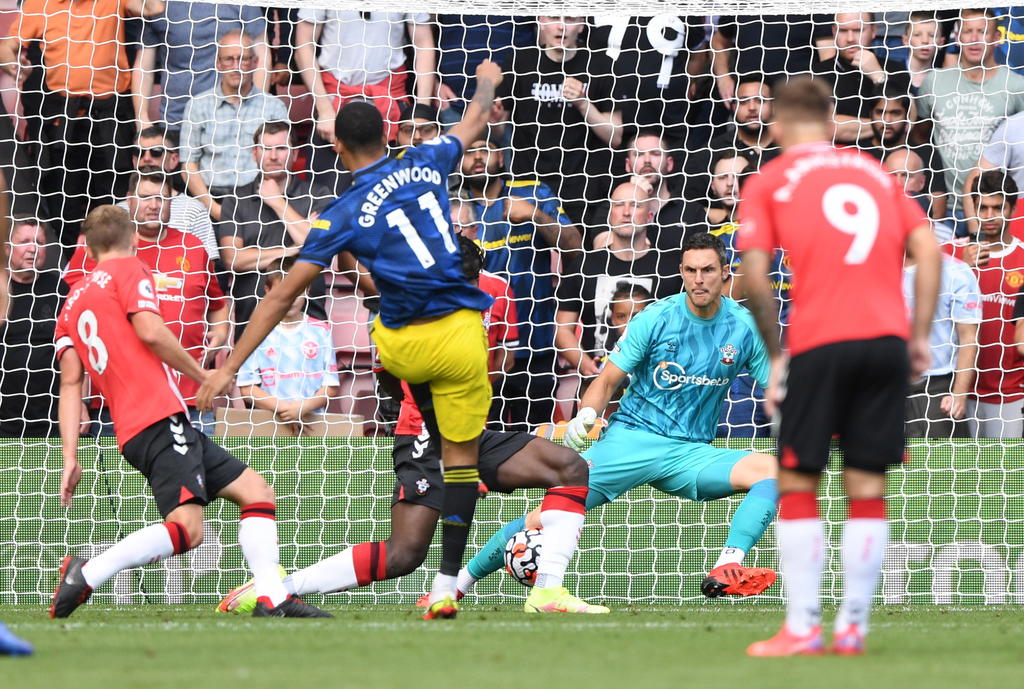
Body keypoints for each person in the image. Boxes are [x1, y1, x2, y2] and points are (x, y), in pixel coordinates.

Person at [198, 61, 506, 621]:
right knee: (461, 464)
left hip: (403, 348)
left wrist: (228, 368)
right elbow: (478, 115)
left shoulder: (337, 215)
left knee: (383, 321)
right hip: (462, 335)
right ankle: (444, 586)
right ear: (391, 136)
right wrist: (486, 77)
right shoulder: (429, 158)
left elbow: (277, 296)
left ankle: (414, 403)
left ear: (337, 146)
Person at [217, 234, 604, 615]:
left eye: (472, 283)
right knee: (403, 555)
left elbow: (496, 360)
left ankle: (547, 591)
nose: (467, 291)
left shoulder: (487, 298)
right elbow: (386, 370)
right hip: (424, 433)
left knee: (570, 468)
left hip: (469, 430)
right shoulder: (411, 311)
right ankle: (276, 589)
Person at [459, 232, 780, 602]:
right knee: (546, 515)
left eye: (708, 270)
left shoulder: (744, 327)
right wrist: (587, 415)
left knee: (773, 472)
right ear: (681, 271)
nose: (699, 279)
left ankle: (727, 566)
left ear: (725, 273)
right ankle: (459, 583)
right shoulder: (656, 318)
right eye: (691, 270)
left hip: (691, 453)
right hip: (631, 440)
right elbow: (608, 378)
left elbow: (776, 387)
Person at [739, 76, 939, 656]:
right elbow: (927, 249)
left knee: (800, 479)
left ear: (776, 125)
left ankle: (803, 627)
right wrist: (919, 335)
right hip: (885, 341)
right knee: (867, 484)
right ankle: (853, 628)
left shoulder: (769, 180)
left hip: (821, 341)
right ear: (831, 122)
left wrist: (777, 355)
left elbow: (754, 275)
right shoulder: (874, 172)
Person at [52, 205, 327, 619]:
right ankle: (87, 574)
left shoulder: (71, 305)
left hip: (138, 426)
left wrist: (69, 455)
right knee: (188, 531)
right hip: (158, 417)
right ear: (132, 241)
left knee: (256, 492)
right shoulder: (130, 269)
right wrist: (203, 375)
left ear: (88, 251)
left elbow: (70, 384)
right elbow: (150, 331)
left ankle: (272, 596)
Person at [65, 173, 229, 434]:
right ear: (129, 201)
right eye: (145, 197)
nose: (153, 205)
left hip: (190, 397)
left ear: (171, 203)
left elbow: (218, 303)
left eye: (161, 198)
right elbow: (75, 318)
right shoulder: (102, 246)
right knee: (124, 477)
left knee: (200, 474)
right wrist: (78, 398)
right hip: (117, 399)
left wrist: (219, 335)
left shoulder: (194, 247)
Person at [0, 0, 164, 256]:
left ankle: (113, 270)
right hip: (63, 126)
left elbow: (154, 8)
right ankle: (67, 277)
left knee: (113, 206)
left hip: (110, 122)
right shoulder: (39, 4)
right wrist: (12, 63)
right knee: (62, 208)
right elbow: (6, 45)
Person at [457, 134, 583, 430]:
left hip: (536, 343)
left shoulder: (533, 193)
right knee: (484, 440)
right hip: (477, 350)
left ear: (501, 157)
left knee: (537, 436)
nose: (477, 157)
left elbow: (575, 245)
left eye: (484, 149)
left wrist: (535, 215)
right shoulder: (452, 207)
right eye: (469, 151)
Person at [498, 16, 623, 223]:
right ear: (540, 21)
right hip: (529, 186)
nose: (561, 26)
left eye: (571, 19)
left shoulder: (601, 64)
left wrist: (584, 104)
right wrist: (493, 119)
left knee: (578, 253)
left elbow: (615, 136)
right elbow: (498, 131)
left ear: (582, 24)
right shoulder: (520, 61)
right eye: (554, 17)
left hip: (583, 189)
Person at [216, 120, 332, 340]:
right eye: (266, 148)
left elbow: (320, 246)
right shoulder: (236, 199)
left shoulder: (318, 194)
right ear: (255, 153)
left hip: (308, 316)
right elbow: (233, 259)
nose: (273, 156)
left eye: (281, 148)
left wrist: (278, 202)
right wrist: (291, 250)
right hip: (252, 316)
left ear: (295, 154)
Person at [557, 182, 682, 381]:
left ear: (649, 215)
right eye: (619, 205)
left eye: (635, 205)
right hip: (597, 383)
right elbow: (563, 330)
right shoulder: (585, 265)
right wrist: (587, 365)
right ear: (609, 214)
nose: (626, 213)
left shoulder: (670, 268)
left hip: (655, 384)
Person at [917, 9, 1024, 218]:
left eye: (982, 32)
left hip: (995, 212)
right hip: (945, 210)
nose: (974, 39)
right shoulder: (934, 81)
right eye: (967, 31)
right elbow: (920, 135)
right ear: (957, 37)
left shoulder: (1016, 86)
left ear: (997, 38)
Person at [180, 29, 288, 221]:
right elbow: (188, 164)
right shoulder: (197, 105)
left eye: (244, 59)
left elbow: (283, 160)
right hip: (211, 201)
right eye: (229, 59)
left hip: (261, 201)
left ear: (255, 63)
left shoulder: (273, 107)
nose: (236, 66)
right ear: (218, 63)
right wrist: (214, 209)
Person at [947, 170, 1024, 437]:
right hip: (956, 390)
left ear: (1013, 208)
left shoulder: (1023, 259)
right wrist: (959, 268)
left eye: (997, 208)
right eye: (983, 207)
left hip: (1010, 392)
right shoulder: (950, 253)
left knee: (1002, 475)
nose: (989, 216)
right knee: (957, 475)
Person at [236, 259, 340, 432]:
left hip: (312, 423)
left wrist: (303, 408)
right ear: (267, 290)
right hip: (269, 423)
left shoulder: (321, 331)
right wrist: (285, 409)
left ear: (307, 290)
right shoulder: (255, 332)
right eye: (284, 292)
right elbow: (247, 389)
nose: (290, 299)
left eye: (296, 292)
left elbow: (331, 387)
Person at [135, 2, 272, 129]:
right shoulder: (158, 4)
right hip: (177, 120)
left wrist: (255, 110)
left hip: (234, 118)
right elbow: (143, 66)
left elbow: (261, 55)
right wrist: (141, 118)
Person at [903, 245, 980, 439]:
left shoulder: (956, 271)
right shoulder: (877, 267)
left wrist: (959, 394)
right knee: (887, 465)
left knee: (943, 464)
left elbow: (968, 337)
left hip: (938, 386)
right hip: (887, 383)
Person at [0, 220, 65, 438]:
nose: (33, 248)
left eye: (39, 242)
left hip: (53, 416)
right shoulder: (1, 289)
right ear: (7, 248)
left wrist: (81, 403)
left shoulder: (59, 288)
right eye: (25, 241)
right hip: (5, 416)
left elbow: (77, 352)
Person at [812, 12, 910, 143]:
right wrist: (888, 125)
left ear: (873, 31)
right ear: (834, 32)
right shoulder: (817, 74)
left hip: (884, 155)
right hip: (838, 157)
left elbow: (910, 120)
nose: (850, 38)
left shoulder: (895, 69)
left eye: (858, 30)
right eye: (843, 30)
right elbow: (826, 128)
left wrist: (878, 76)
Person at [123, 125, 219, 260]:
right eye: (139, 152)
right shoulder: (117, 211)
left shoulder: (194, 210)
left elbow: (209, 267)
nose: (146, 158)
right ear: (134, 160)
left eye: (156, 152)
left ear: (174, 160)